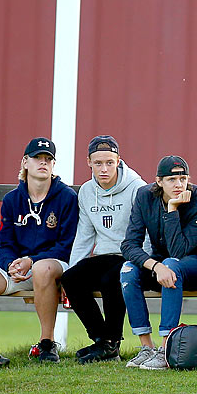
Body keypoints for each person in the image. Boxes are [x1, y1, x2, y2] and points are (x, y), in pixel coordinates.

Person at [0, 138, 78, 367]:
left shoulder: (66, 197)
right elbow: (6, 244)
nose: (43, 163)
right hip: (20, 270)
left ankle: (47, 343)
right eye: (38, 158)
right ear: (25, 162)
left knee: (41, 268)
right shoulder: (12, 200)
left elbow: (66, 246)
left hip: (54, 267)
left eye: (48, 159)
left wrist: (31, 260)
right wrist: (10, 265)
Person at [119, 155, 197, 370]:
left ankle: (165, 349)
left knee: (172, 264)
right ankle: (147, 347)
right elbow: (128, 245)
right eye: (172, 179)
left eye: (183, 178)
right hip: (162, 264)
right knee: (127, 270)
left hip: (195, 266)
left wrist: (172, 209)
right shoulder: (144, 196)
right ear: (159, 182)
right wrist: (154, 265)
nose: (179, 184)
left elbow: (179, 251)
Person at [61, 136, 145, 364]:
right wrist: (73, 265)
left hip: (133, 254)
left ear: (119, 161)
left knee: (112, 278)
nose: (104, 168)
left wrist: (146, 260)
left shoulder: (137, 188)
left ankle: (112, 342)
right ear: (88, 162)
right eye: (98, 163)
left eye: (109, 162)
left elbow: (147, 230)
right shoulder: (87, 191)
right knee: (70, 278)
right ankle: (101, 341)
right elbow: (84, 235)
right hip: (105, 255)